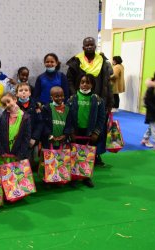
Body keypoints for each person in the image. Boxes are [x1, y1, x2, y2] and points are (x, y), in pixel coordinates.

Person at [66, 37, 113, 166]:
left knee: (97, 130)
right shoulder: (76, 61)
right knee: (79, 130)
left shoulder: (102, 61)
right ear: (83, 47)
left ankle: (95, 156)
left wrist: (109, 102)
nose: (89, 47)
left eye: (92, 44)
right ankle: (77, 160)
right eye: (87, 45)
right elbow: (69, 80)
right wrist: (74, 94)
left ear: (95, 46)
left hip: (98, 100)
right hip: (80, 99)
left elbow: (108, 83)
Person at [67, 74, 106, 188]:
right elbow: (68, 116)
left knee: (88, 155)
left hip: (89, 133)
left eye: (88, 82)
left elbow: (101, 118)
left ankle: (86, 177)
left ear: (92, 85)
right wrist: (71, 131)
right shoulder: (72, 98)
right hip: (76, 132)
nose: (85, 84)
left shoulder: (98, 100)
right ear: (79, 84)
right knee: (75, 154)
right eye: (82, 82)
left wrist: (96, 132)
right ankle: (73, 177)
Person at [0, 92, 31, 164]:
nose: (7, 105)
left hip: (18, 156)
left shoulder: (26, 117)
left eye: (8, 101)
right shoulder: (1, 117)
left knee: (17, 174)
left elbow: (26, 137)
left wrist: (20, 154)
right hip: (3, 156)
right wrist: (0, 151)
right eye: (4, 104)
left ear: (15, 99)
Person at [141, 69, 155, 152]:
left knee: (152, 126)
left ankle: (145, 139)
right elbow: (147, 100)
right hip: (152, 111)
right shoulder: (152, 87)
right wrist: (154, 109)